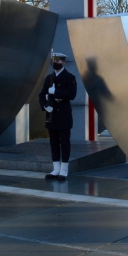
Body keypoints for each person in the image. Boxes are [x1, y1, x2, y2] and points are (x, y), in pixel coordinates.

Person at [39, 53, 77, 181]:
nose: (56, 63)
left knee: (64, 143)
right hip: (52, 114)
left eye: (58, 61)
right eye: (54, 61)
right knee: (53, 142)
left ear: (64, 63)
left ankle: (64, 169)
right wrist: (44, 105)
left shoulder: (69, 77)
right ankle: (56, 168)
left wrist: (55, 92)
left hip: (64, 114)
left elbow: (71, 94)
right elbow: (41, 94)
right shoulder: (49, 78)